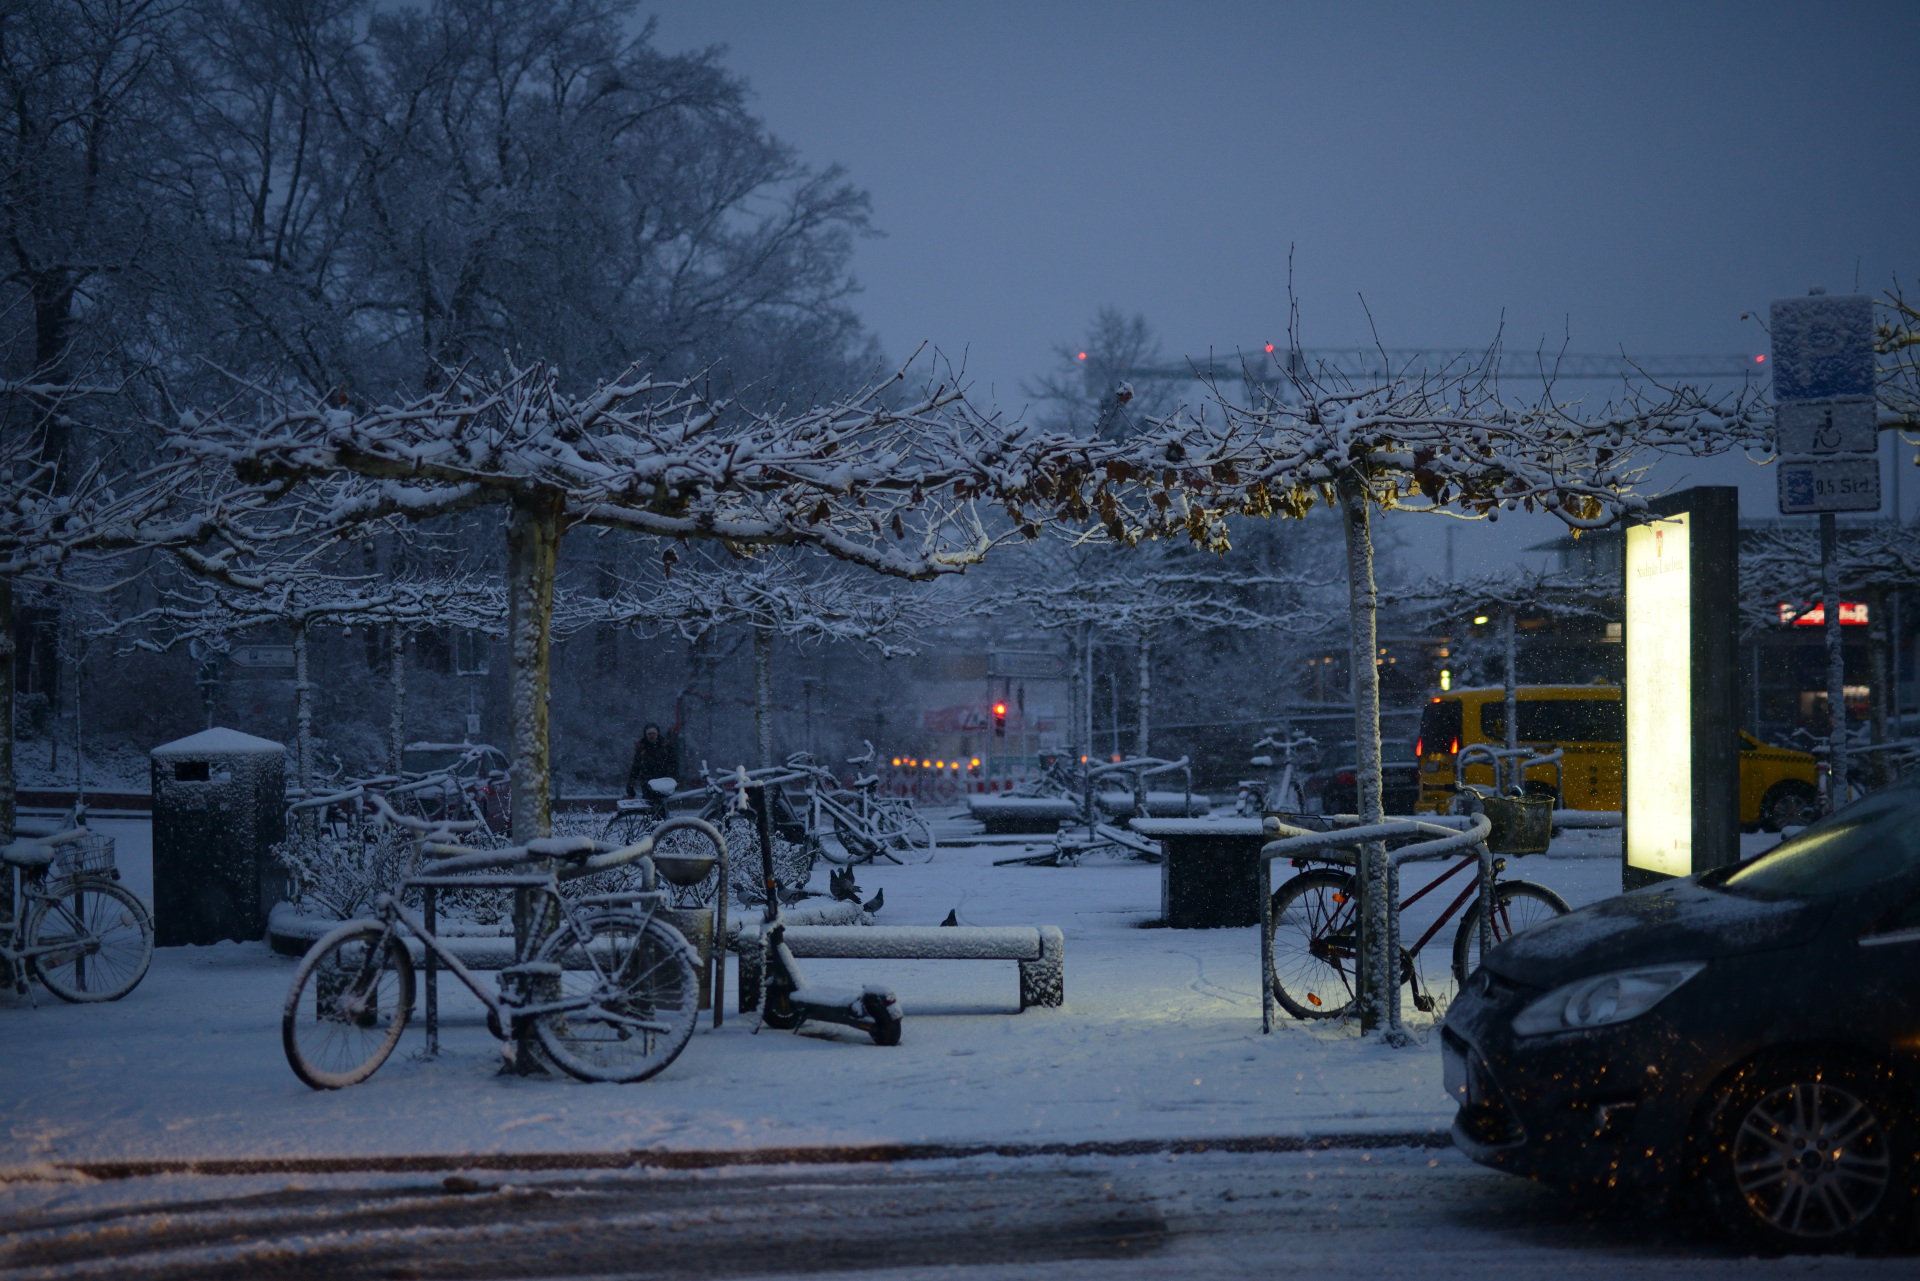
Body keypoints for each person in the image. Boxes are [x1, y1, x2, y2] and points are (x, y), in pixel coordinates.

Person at [626, 723, 680, 799]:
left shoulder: (665, 748)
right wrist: (630, 785)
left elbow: (673, 764)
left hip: (663, 783)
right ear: (646, 735)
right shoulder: (642, 750)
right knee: (650, 804)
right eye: (649, 733)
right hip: (647, 783)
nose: (651, 735)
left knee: (661, 805)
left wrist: (673, 779)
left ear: (657, 734)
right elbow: (635, 768)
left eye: (653, 733)